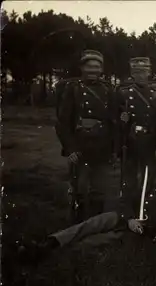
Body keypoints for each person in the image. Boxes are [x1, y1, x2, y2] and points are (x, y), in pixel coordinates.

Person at [18, 166, 156, 265]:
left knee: (99, 241)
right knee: (94, 223)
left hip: (140, 234)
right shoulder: (148, 192)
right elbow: (124, 202)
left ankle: (51, 253)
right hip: (125, 220)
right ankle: (51, 241)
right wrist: (130, 218)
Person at [55, 49, 119, 221]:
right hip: (80, 146)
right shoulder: (72, 89)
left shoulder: (108, 90)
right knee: (79, 187)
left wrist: (114, 149)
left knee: (100, 189)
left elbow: (114, 122)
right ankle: (77, 223)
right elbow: (62, 123)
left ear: (101, 69)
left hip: (102, 147)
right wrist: (70, 149)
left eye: (97, 67)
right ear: (82, 68)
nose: (93, 71)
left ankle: (95, 224)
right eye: (89, 67)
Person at [116, 57, 156, 210]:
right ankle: (128, 210)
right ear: (132, 74)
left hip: (150, 142)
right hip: (131, 142)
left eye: (144, 72)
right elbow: (114, 120)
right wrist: (122, 121)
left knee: (149, 177)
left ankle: (147, 209)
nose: (141, 75)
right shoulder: (123, 93)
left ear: (149, 72)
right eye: (137, 72)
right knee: (129, 178)